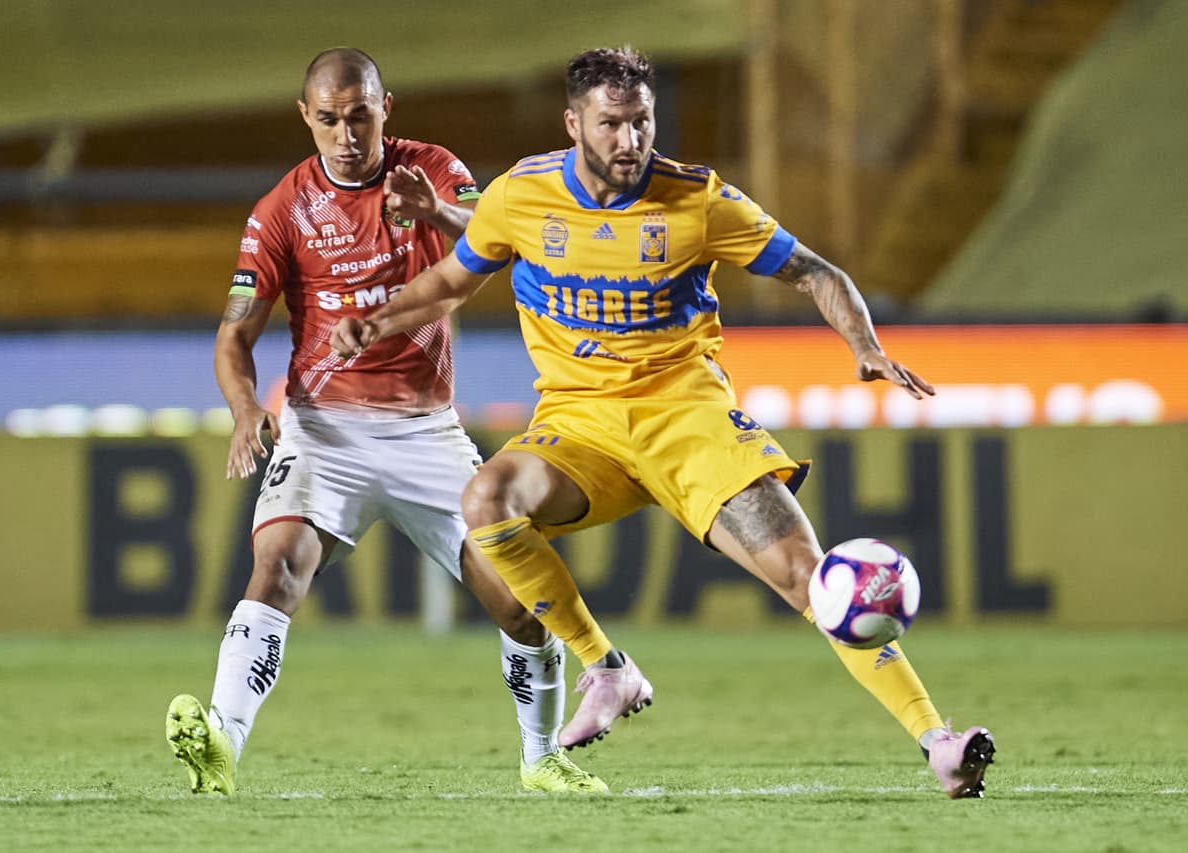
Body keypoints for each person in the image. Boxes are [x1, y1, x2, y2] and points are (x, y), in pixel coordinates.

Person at [330, 46, 996, 799]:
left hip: (690, 419)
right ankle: (606, 668)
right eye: (611, 124)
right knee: (487, 500)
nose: (629, 141)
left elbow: (814, 269)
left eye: (641, 122)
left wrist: (864, 346)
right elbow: (455, 277)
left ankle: (939, 741)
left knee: (811, 581)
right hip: (580, 428)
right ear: (574, 122)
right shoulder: (522, 194)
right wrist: (376, 321)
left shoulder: (699, 200)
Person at [165, 47, 607, 796]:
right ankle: (222, 746)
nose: (347, 134)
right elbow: (234, 334)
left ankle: (543, 758)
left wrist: (435, 210)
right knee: (276, 568)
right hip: (323, 433)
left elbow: (501, 245)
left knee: (519, 602)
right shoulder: (281, 211)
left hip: (425, 432)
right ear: (306, 117)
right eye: (330, 119)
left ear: (386, 107)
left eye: (360, 115)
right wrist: (246, 411)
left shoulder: (431, 168)